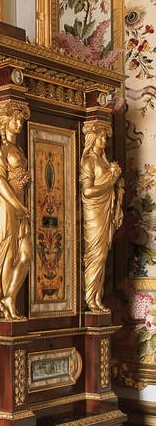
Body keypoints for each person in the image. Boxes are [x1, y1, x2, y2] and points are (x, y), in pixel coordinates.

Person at [0, 100, 32, 320]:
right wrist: (18, 204)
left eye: (20, 119)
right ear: (5, 121)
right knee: (8, 254)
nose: (19, 123)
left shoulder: (19, 149)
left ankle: (9, 297)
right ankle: (6, 305)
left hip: (21, 206)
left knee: (25, 255)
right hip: (8, 205)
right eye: (15, 119)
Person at [80, 119, 124, 312]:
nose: (104, 140)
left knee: (103, 254)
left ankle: (97, 298)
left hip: (105, 209)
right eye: (100, 137)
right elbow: (87, 191)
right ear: (92, 138)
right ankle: (90, 299)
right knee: (95, 254)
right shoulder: (89, 161)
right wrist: (111, 180)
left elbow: (111, 187)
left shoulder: (104, 161)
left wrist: (118, 186)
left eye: (105, 137)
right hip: (93, 211)